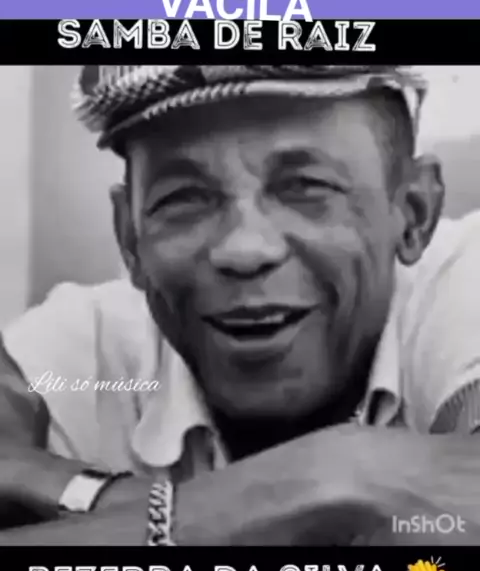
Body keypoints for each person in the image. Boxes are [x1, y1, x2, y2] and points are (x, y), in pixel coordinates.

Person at [2, 63, 480, 546]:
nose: (243, 250)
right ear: (130, 238)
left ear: (414, 215)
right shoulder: (86, 351)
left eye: (306, 187)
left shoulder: (461, 286)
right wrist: (329, 479)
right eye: (183, 198)